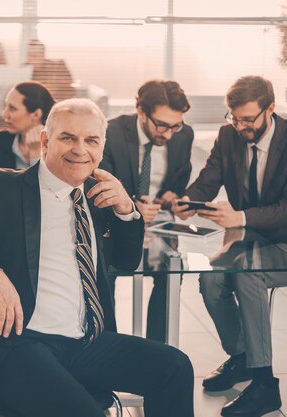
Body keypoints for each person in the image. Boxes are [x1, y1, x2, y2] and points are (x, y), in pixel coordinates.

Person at [0, 98, 194, 417]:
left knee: (175, 367)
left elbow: (127, 260)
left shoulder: (98, 195)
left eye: (91, 140)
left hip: (84, 342)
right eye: (68, 137)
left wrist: (127, 211)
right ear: (45, 140)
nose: (80, 149)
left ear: (102, 147)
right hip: (15, 346)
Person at [173, 75, 287, 417]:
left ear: (270, 109)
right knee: (211, 279)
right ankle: (241, 356)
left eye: (248, 119)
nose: (240, 126)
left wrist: (239, 218)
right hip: (254, 238)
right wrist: (188, 201)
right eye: (234, 118)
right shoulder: (229, 136)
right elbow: (209, 179)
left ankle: (265, 384)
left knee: (247, 275)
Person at [99, 80, 193, 342]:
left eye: (176, 125)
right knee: (106, 275)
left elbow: (180, 175)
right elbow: (100, 180)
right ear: (141, 111)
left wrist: (173, 195)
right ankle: (108, 345)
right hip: (116, 223)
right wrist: (130, 204)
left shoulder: (184, 135)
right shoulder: (112, 132)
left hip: (158, 223)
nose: (169, 133)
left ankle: (157, 348)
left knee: (172, 273)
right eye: (162, 125)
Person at [0, 81, 55, 169]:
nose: (4, 114)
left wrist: (36, 152)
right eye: (5, 106)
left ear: (36, 114)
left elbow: (45, 182)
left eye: (12, 108)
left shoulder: (58, 146)